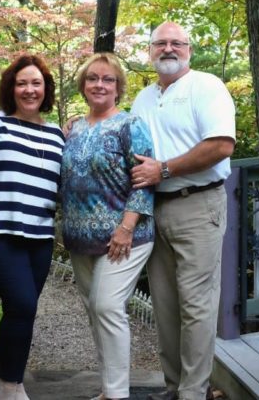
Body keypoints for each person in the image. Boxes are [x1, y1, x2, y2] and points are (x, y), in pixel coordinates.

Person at [130, 22, 236, 400]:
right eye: (161, 43)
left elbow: (222, 145)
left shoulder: (206, 86)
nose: (169, 49)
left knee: (196, 305)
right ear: (150, 51)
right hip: (155, 209)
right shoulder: (143, 98)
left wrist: (165, 169)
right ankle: (174, 387)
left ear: (189, 50)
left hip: (197, 204)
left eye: (177, 43)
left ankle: (193, 392)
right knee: (165, 305)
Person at [61, 53, 155, 400]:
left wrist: (126, 227)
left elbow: (145, 182)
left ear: (118, 88)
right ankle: (107, 389)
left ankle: (117, 394)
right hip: (80, 240)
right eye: (93, 79)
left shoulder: (130, 125)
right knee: (95, 312)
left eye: (108, 79)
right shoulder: (74, 128)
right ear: (83, 86)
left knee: (106, 306)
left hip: (123, 236)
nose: (99, 85)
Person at [0, 54, 64, 400]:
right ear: (10, 88)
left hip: (40, 237)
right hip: (0, 233)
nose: (29, 90)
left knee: (25, 309)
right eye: (22, 83)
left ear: (45, 89)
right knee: (21, 304)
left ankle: (5, 377)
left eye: (36, 83)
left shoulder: (58, 135)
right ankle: (10, 385)